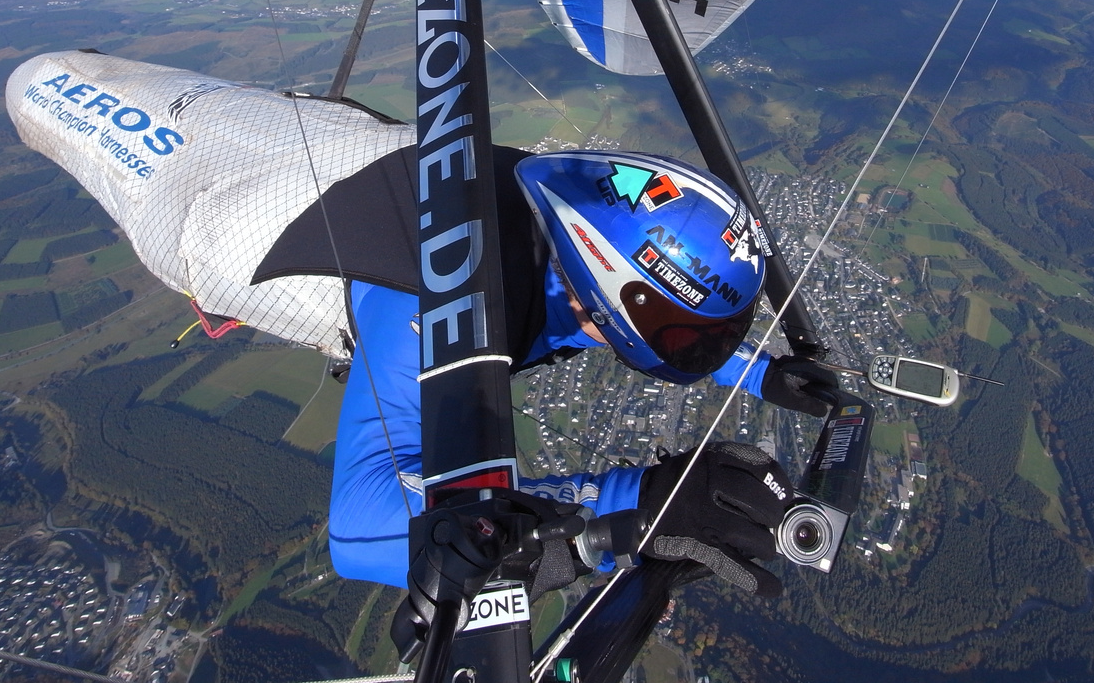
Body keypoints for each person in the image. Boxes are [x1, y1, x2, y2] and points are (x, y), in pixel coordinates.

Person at [329, 149, 836, 600]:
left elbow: (643, 312)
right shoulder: (434, 303)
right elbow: (358, 528)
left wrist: (759, 371)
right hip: (377, 251)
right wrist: (639, 504)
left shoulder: (580, 238)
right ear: (605, 294)